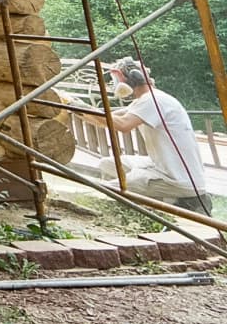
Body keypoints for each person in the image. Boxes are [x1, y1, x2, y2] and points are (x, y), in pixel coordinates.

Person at [89, 57, 213, 215]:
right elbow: (105, 118)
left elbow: (122, 125)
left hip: (177, 179)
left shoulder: (153, 100)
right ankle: (144, 199)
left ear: (126, 79)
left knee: (105, 188)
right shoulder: (145, 100)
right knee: (106, 163)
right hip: (163, 167)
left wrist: (80, 107)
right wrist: (76, 107)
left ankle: (131, 210)